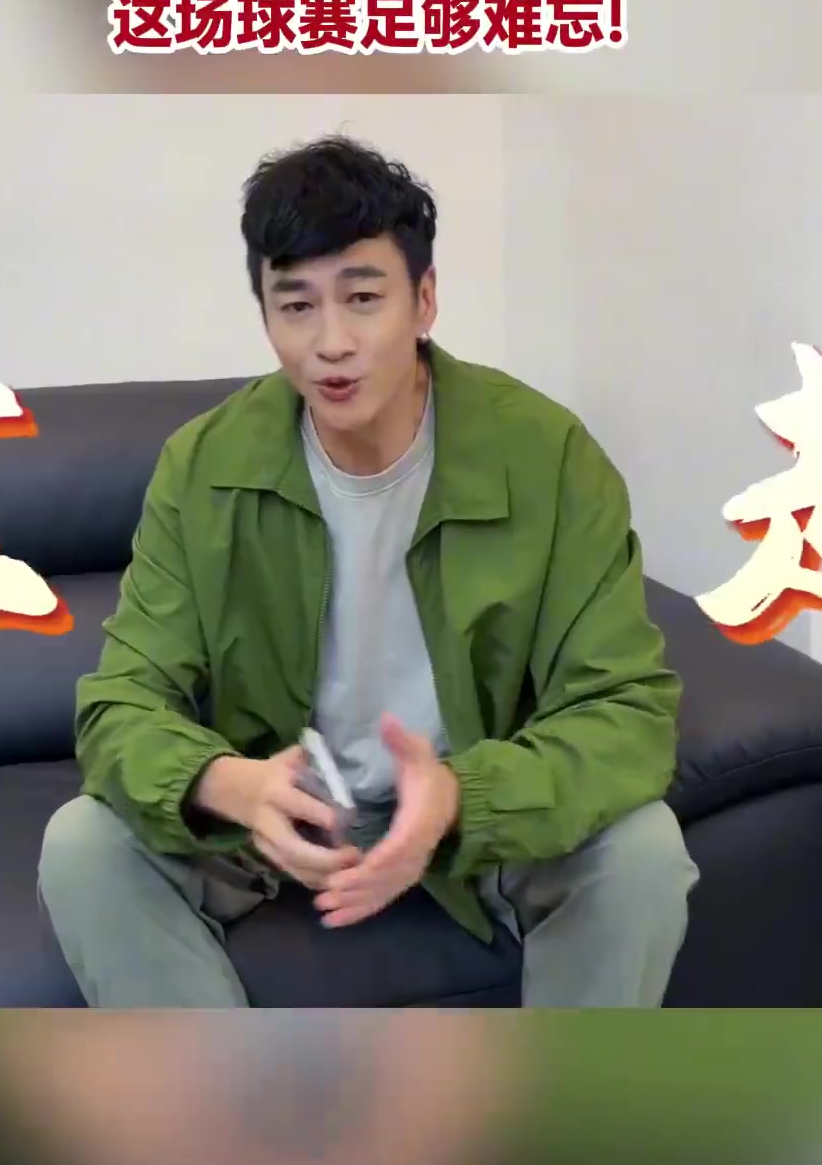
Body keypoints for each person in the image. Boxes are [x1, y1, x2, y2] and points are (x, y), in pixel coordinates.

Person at [38, 135, 698, 1005]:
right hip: (287, 813)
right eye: (296, 305)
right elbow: (119, 703)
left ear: (424, 300)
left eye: (362, 298)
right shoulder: (204, 467)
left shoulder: (546, 456)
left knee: (642, 851)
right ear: (266, 318)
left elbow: (627, 713)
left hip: (476, 814)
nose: (331, 343)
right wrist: (232, 784)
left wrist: (460, 797)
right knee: (84, 846)